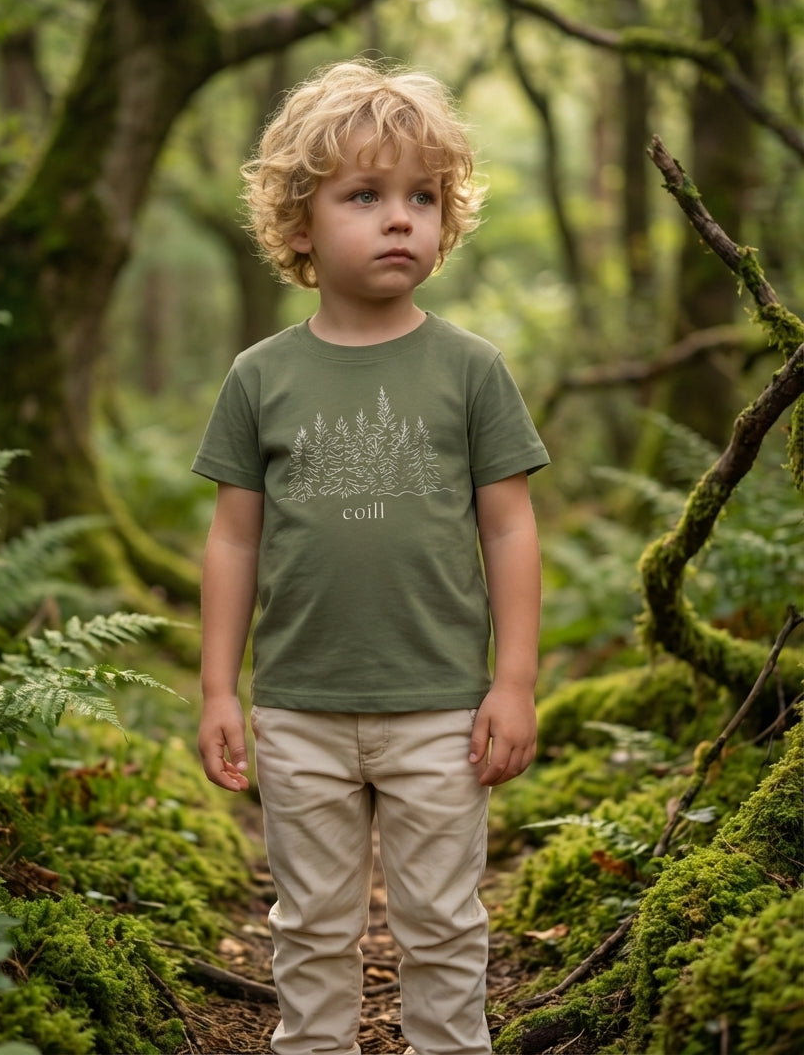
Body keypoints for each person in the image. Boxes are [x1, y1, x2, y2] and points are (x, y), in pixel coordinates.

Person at [193, 58, 550, 1055]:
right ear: (299, 225)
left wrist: (513, 681)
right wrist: (219, 687)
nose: (400, 218)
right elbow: (232, 536)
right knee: (309, 925)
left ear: (445, 219)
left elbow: (510, 527)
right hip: (299, 702)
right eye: (365, 195)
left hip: (440, 702)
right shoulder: (259, 376)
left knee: (442, 921)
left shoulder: (470, 369)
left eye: (421, 197)